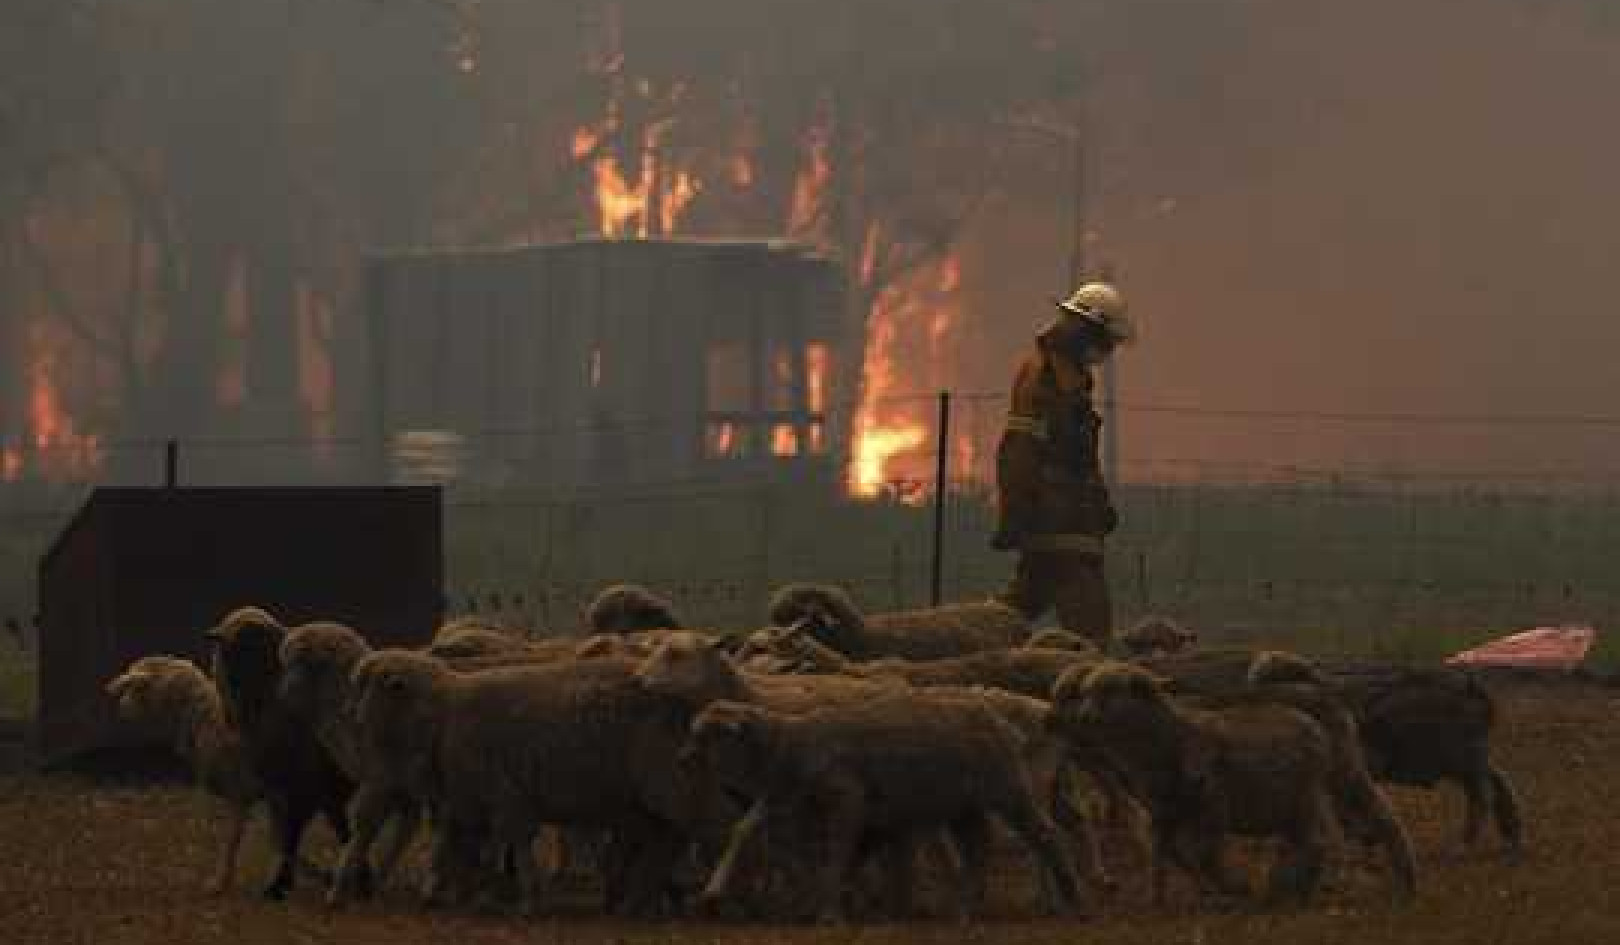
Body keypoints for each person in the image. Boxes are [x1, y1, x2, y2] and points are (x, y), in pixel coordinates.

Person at [991, 281, 1135, 648]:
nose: (1105, 352)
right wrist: (1014, 511)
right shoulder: (1043, 377)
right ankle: (961, 646)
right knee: (1091, 628)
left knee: (1014, 610)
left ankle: (965, 645)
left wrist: (1100, 504)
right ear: (1084, 331)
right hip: (1057, 523)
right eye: (1104, 341)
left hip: (1068, 520)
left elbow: (1080, 458)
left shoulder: (1070, 378)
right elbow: (1019, 447)